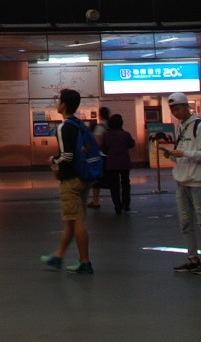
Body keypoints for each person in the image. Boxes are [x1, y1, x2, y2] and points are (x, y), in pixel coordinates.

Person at [159, 93, 201, 275]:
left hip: (196, 181)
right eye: (172, 109)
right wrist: (173, 155)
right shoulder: (181, 127)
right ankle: (193, 258)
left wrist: (183, 154)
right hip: (182, 180)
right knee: (185, 222)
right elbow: (186, 152)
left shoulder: (198, 126)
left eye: (177, 108)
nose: (175, 112)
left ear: (186, 107)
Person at [38, 88, 93, 274]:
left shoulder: (64, 127)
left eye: (59, 100)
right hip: (84, 177)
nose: (57, 103)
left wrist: (53, 161)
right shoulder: (79, 124)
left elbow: (67, 156)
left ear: (63, 105)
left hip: (70, 181)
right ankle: (58, 256)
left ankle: (85, 262)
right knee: (71, 220)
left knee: (76, 221)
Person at [98, 113, 135, 215]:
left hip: (112, 163)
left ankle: (117, 206)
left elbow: (104, 148)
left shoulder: (106, 135)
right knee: (125, 183)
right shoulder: (125, 134)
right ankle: (126, 204)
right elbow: (131, 144)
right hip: (124, 162)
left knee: (114, 185)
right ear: (121, 123)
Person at [86, 108, 107, 208]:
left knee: (97, 180)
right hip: (112, 157)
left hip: (101, 157)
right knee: (115, 179)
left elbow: (96, 142)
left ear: (101, 115)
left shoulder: (100, 127)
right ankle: (121, 199)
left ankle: (96, 201)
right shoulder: (111, 126)